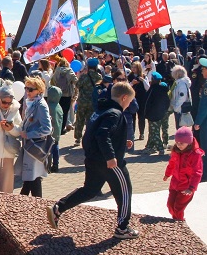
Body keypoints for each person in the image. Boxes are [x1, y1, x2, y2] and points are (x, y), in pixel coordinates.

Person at [46, 82, 139, 240]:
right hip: (109, 161)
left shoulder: (100, 111)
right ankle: (123, 228)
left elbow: (96, 134)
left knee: (89, 190)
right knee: (124, 191)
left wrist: (122, 142)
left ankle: (58, 208)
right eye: (129, 102)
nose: (129, 105)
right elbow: (103, 135)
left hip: (93, 159)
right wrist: (110, 156)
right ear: (124, 98)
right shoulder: (115, 113)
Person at [15, 77, 53, 197]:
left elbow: (47, 128)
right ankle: (24, 200)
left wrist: (29, 134)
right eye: (26, 88)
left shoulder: (41, 105)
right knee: (29, 176)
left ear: (39, 90)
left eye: (30, 89)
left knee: (33, 176)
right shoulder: (31, 102)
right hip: (29, 146)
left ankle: (35, 203)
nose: (27, 92)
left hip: (35, 146)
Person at [163, 127, 204, 221]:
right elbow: (172, 164)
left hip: (186, 186)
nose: (178, 145)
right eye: (177, 142)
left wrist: (191, 188)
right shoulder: (176, 151)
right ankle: (176, 220)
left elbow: (197, 172)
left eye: (181, 143)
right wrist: (167, 174)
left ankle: (179, 223)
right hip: (175, 183)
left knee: (178, 207)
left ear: (189, 142)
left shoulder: (195, 154)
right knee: (170, 205)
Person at [74, 58, 102, 145]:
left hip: (82, 101)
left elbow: (77, 85)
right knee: (90, 120)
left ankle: (78, 138)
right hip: (93, 102)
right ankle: (89, 137)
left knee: (80, 120)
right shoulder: (99, 76)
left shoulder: (84, 76)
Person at [142, 72, 171, 155]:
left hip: (153, 114)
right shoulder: (164, 90)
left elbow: (147, 102)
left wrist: (145, 114)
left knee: (154, 132)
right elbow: (167, 102)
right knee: (152, 131)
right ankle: (149, 147)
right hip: (162, 113)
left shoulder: (153, 90)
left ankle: (160, 148)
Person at [46, 85, 63, 173]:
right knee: (56, 147)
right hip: (57, 130)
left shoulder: (48, 106)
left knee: (48, 149)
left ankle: (48, 165)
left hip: (50, 131)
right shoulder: (58, 106)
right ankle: (56, 164)